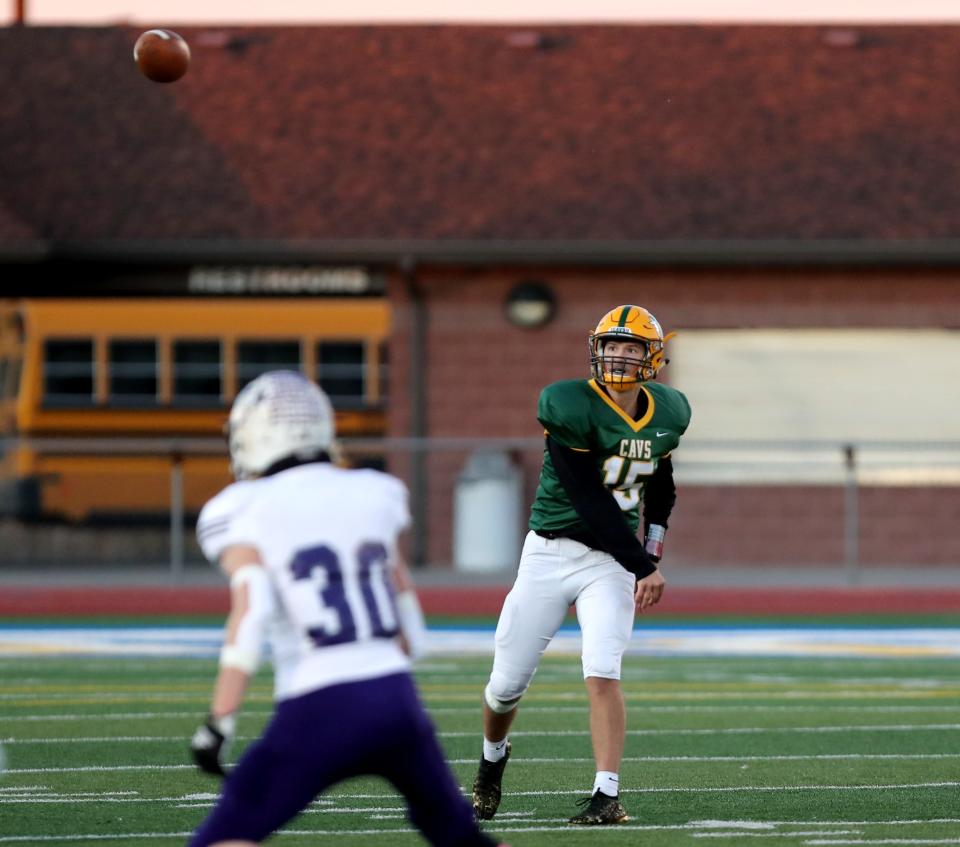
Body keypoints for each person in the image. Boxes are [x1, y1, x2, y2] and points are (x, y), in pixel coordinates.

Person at [187, 370, 507, 847]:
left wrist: (219, 720)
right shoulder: (374, 490)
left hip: (317, 704)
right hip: (397, 699)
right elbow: (404, 607)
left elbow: (250, 612)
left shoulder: (237, 507)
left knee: (227, 835)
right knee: (460, 839)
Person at [472, 305, 691, 826]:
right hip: (550, 552)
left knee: (602, 669)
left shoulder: (668, 410)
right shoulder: (567, 403)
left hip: (610, 563)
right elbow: (590, 500)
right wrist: (642, 563)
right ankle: (491, 760)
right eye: (611, 346)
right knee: (505, 686)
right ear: (596, 349)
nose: (618, 356)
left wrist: (652, 547)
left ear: (651, 357)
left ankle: (606, 794)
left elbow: (660, 484)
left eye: (630, 347)